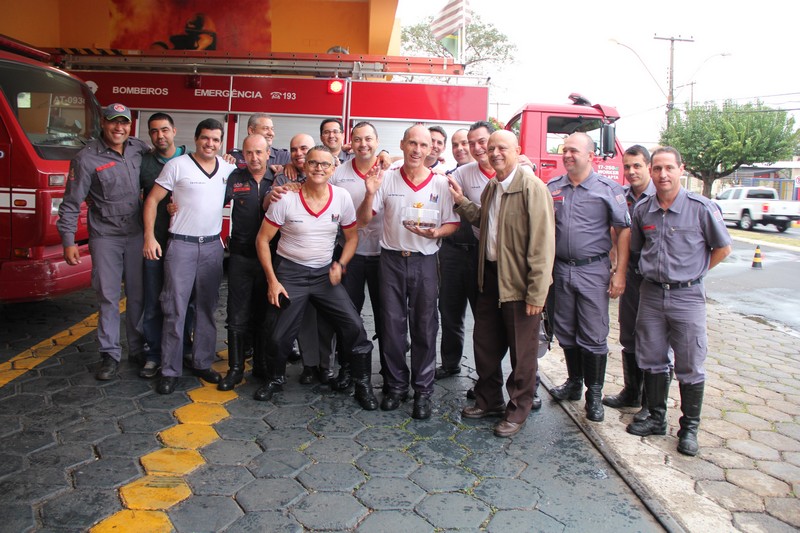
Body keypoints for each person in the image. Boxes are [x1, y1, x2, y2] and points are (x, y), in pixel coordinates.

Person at [253, 145, 378, 410]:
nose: (318, 169)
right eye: (313, 163)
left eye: (325, 164)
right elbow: (263, 240)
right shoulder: (286, 198)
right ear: (304, 166)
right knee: (277, 334)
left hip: (324, 275)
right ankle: (275, 379)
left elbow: (352, 237)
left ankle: (362, 383)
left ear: (333, 169)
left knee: (354, 326)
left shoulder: (341, 197)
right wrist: (273, 281)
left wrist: (340, 264)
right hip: (290, 273)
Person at [626, 146, 731, 456]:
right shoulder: (643, 209)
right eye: (657, 168)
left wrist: (695, 272)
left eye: (669, 168)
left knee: (690, 364)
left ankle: (689, 429)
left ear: (680, 169)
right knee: (652, 357)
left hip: (687, 296)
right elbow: (637, 248)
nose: (662, 174)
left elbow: (722, 248)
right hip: (652, 294)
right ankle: (657, 418)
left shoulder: (701, 208)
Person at [450, 130, 555, 438]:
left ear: (517, 150)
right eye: (491, 147)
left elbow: (543, 245)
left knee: (522, 354)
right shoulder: (493, 186)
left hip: (520, 285)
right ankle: (489, 401)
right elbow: (486, 221)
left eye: (502, 148)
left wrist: (537, 293)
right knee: (485, 345)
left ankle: (517, 410)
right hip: (491, 278)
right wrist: (461, 203)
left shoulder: (532, 188)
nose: (495, 152)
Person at [357, 124, 460, 419]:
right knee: (391, 327)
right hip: (389, 259)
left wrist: (436, 232)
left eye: (423, 145)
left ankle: (423, 390)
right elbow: (364, 220)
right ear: (401, 145)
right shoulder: (386, 179)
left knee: (426, 327)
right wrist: (368, 194)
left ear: (431, 150)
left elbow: (453, 223)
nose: (416, 150)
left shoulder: (441, 183)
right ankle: (395, 386)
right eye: (411, 143)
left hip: (425, 261)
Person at [57, 103, 150, 381]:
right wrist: (68, 240)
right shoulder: (85, 159)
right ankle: (109, 354)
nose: (119, 128)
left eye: (124, 123)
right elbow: (71, 203)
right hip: (105, 237)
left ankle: (137, 349)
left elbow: (164, 165)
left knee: (137, 295)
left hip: (136, 234)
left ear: (130, 125)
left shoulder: (139, 148)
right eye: (113, 122)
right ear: (103, 123)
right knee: (108, 297)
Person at [143, 118, 237, 395]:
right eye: (205, 138)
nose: (210, 143)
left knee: (207, 309)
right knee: (175, 308)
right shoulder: (177, 165)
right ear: (196, 139)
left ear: (221, 143)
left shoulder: (228, 168)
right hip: (181, 246)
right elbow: (152, 201)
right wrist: (149, 236)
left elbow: (259, 166)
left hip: (211, 247)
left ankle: (202, 361)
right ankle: (170, 369)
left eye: (216, 140)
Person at [546, 132, 631, 423]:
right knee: (566, 329)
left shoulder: (609, 189)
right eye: (564, 150)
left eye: (574, 150)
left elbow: (623, 230)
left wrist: (619, 272)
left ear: (590, 156)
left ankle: (593, 395)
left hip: (593, 270)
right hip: (560, 269)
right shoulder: (553, 187)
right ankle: (573, 383)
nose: (567, 155)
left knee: (594, 334)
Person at [329, 121, 387, 391]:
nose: (364, 144)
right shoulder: (338, 173)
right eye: (358, 139)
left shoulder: (391, 170)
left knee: (386, 317)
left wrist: (389, 156)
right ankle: (347, 367)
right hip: (349, 255)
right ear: (350, 143)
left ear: (377, 142)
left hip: (384, 256)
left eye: (369, 139)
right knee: (347, 316)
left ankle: (390, 370)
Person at [602, 145, 657, 419]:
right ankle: (631, 393)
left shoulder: (658, 196)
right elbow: (614, 232)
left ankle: (651, 404)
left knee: (653, 338)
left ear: (648, 166)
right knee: (628, 334)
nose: (631, 171)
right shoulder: (620, 196)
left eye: (637, 166)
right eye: (627, 167)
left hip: (654, 277)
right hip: (630, 272)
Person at [218, 134, 275, 391]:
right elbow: (210, 203)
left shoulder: (279, 178)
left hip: (271, 259)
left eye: (259, 153)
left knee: (265, 314)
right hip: (240, 258)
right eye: (249, 153)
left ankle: (262, 366)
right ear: (243, 154)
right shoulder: (234, 178)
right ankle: (235, 369)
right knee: (237, 314)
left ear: (268, 153)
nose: (254, 158)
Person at [139, 112, 193, 379]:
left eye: (164, 130)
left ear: (174, 131)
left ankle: (185, 350)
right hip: (156, 243)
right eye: (154, 131)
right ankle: (153, 354)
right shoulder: (144, 163)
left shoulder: (192, 159)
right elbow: (140, 199)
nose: (160, 136)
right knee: (154, 300)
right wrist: (148, 236)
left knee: (187, 302)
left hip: (184, 245)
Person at [435, 124, 485, 380]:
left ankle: (485, 374)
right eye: (456, 144)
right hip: (452, 253)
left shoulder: (499, 173)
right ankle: (451, 363)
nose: (463, 148)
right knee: (449, 311)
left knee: (484, 318)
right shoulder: (452, 175)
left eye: (466, 142)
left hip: (482, 254)